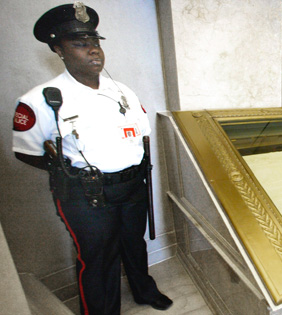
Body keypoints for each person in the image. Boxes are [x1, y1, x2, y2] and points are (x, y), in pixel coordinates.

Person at [11, 3, 172, 314]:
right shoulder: (42, 99)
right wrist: (71, 174)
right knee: (97, 257)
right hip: (87, 195)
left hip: (131, 185)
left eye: (95, 43)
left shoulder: (121, 90)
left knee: (133, 243)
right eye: (80, 44)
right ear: (58, 49)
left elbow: (139, 134)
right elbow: (26, 152)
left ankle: (144, 290)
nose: (93, 51)